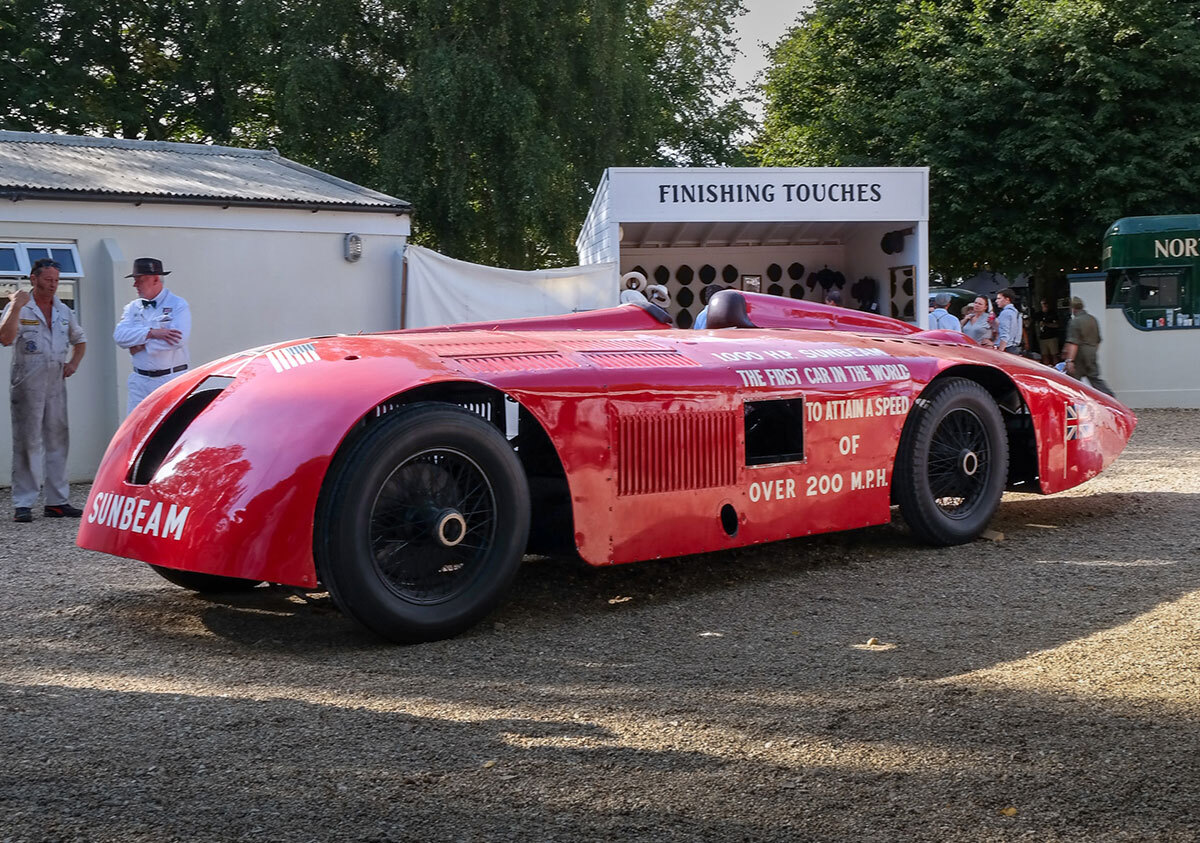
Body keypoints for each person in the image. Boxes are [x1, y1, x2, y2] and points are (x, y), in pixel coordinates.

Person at [0, 258, 87, 522]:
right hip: (27, 384)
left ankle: (57, 501)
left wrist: (73, 363)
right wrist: (15, 305)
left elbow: (80, 340)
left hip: (55, 384)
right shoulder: (21, 308)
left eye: (57, 280)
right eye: (48, 280)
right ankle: (23, 503)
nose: (53, 285)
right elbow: (5, 338)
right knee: (27, 443)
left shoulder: (63, 309)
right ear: (33, 279)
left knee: (58, 440)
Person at [113, 257, 191, 415]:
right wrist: (152, 333)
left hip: (170, 379)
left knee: (169, 430)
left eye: (139, 280)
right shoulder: (132, 307)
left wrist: (138, 345)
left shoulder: (178, 305)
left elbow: (177, 340)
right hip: (140, 381)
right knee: (136, 429)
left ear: (155, 279)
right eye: (134, 280)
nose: (135, 285)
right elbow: (119, 336)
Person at [1062, 296, 1115, 397]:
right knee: (1095, 379)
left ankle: (1072, 405)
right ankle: (1110, 398)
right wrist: (1092, 352)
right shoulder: (1093, 319)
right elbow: (1098, 341)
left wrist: (1070, 361)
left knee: (1072, 382)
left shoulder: (1074, 322)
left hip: (1079, 356)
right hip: (1091, 354)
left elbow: (1073, 343)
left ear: (1073, 308)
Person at [993, 288, 1022, 353]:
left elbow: (1004, 334)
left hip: (1005, 348)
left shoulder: (1005, 313)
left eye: (999, 298)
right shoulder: (1016, 313)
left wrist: (1000, 351)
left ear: (1007, 299)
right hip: (1014, 347)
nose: (996, 301)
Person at [1034, 298, 1061, 365]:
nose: (1044, 305)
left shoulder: (1053, 313)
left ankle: (1056, 370)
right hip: (1042, 337)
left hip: (1052, 337)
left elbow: (1057, 325)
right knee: (1044, 355)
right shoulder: (1038, 314)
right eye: (1042, 304)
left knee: (1054, 355)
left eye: (1045, 303)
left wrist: (1046, 324)